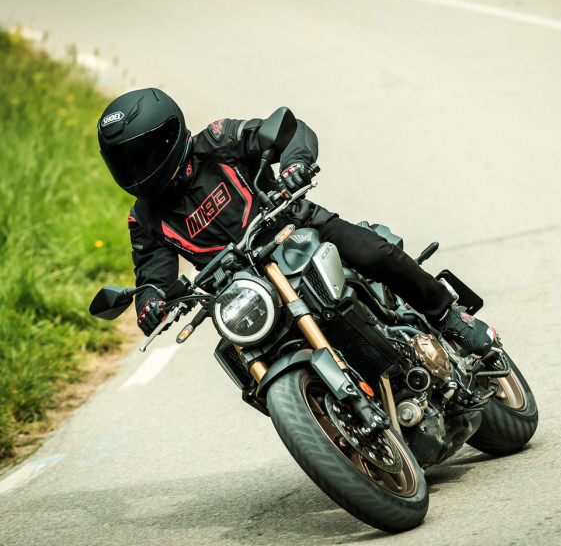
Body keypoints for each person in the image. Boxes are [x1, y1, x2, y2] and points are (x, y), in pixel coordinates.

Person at [97, 88, 495, 356]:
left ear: (169, 136)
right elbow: (152, 275)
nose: (136, 169)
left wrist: (294, 165)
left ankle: (448, 317)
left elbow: (288, 133)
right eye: (124, 162)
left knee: (373, 253)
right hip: (245, 290)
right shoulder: (143, 217)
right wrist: (150, 303)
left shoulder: (216, 141)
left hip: (296, 231)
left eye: (143, 155)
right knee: (238, 355)